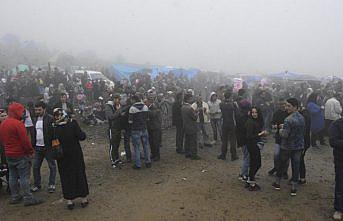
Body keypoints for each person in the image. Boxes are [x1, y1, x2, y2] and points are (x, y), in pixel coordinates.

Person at [0, 102, 43, 206]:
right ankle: (28, 198)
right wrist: (30, 151)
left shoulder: (3, 123)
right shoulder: (18, 124)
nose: (22, 113)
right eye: (21, 111)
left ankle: (15, 196)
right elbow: (25, 141)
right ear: (16, 112)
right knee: (24, 176)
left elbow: (2, 140)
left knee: (12, 175)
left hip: (8, 154)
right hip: (20, 154)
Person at [52, 108, 89, 210]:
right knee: (79, 174)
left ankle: (69, 201)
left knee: (65, 176)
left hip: (62, 157)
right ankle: (83, 199)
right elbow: (82, 137)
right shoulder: (72, 124)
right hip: (75, 155)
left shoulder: (54, 127)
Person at [272, 98, 305, 197]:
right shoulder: (302, 118)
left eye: (288, 106)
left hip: (287, 146)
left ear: (295, 107)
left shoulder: (288, 119)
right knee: (296, 166)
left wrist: (281, 129)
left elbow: (285, 135)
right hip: (298, 146)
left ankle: (277, 183)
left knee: (282, 164)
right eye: (286, 105)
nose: (286, 108)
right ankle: (294, 188)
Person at [31, 101, 56, 193]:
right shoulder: (34, 119)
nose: (37, 111)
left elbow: (54, 133)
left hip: (48, 147)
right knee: (36, 167)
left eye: (39, 110)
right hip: (38, 147)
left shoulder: (50, 119)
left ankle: (52, 184)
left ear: (44, 109)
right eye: (36, 110)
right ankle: (37, 184)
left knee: (52, 166)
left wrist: (53, 145)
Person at [245, 107, 266, 191]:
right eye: (253, 112)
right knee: (256, 164)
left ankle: (250, 180)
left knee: (254, 163)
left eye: (256, 112)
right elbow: (249, 136)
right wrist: (260, 134)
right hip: (252, 145)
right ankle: (252, 182)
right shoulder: (250, 122)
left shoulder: (254, 121)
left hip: (253, 145)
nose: (254, 114)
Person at [129, 94, 152, 169]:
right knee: (146, 146)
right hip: (144, 128)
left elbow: (130, 121)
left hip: (135, 130)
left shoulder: (132, 108)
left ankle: (138, 164)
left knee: (136, 147)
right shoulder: (145, 107)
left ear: (134, 100)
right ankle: (148, 162)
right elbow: (148, 119)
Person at [268, 99, 289, 177]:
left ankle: (285, 171)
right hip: (279, 137)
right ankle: (276, 168)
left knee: (286, 156)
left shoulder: (289, 113)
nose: (283, 106)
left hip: (287, 137)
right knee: (276, 154)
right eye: (281, 104)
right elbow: (272, 124)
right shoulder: (277, 113)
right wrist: (276, 126)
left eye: (284, 104)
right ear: (278, 105)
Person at [217, 91, 238, 161]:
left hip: (224, 123)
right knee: (232, 140)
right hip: (232, 123)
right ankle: (233, 155)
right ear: (230, 96)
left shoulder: (221, 104)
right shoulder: (233, 104)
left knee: (224, 140)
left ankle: (223, 155)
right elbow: (237, 114)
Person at [105, 94, 124, 168]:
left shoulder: (118, 105)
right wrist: (119, 111)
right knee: (113, 144)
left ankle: (117, 158)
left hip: (118, 127)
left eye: (119, 99)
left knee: (117, 144)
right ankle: (113, 160)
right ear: (113, 99)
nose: (118, 101)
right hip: (112, 128)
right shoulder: (108, 106)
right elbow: (111, 117)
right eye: (117, 99)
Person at [329, 117, 343, 220]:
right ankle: (339, 209)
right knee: (340, 182)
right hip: (340, 158)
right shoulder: (336, 124)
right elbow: (333, 141)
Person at [181, 93, 200, 160]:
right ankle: (194, 155)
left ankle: (187, 153)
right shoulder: (190, 108)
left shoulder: (183, 107)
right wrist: (197, 113)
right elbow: (194, 117)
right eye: (191, 98)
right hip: (192, 126)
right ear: (188, 99)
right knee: (193, 141)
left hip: (186, 126)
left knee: (187, 141)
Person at [147, 96, 162, 161]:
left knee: (155, 142)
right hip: (151, 127)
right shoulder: (150, 107)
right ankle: (153, 154)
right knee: (151, 142)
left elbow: (153, 114)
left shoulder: (154, 107)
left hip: (155, 127)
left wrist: (147, 110)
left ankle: (157, 155)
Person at [299, 105, 311, 184]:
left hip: (303, 142)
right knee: (299, 159)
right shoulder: (305, 114)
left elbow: (304, 131)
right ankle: (301, 178)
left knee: (299, 159)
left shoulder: (303, 117)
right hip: (304, 142)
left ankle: (301, 178)